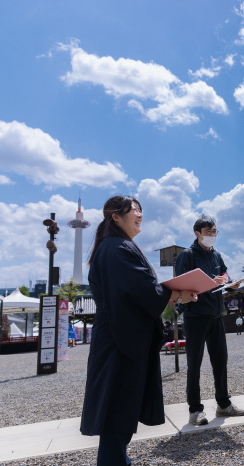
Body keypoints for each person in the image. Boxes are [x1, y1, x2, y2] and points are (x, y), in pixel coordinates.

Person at [80, 195, 197, 466]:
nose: (140, 214)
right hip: (119, 344)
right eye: (134, 210)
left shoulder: (114, 246)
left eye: (140, 209)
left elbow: (139, 293)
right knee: (117, 416)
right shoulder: (118, 248)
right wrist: (177, 294)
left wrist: (175, 296)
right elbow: (142, 291)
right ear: (115, 217)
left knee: (119, 415)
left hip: (118, 338)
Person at [175, 214, 244, 426]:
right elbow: (182, 287)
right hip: (195, 315)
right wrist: (210, 282)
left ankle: (224, 404)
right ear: (197, 234)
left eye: (215, 231)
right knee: (194, 364)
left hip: (216, 314)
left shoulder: (217, 255)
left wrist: (232, 283)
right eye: (208, 232)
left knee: (220, 361)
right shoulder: (187, 256)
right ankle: (195, 410)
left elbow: (225, 275)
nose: (213, 235)